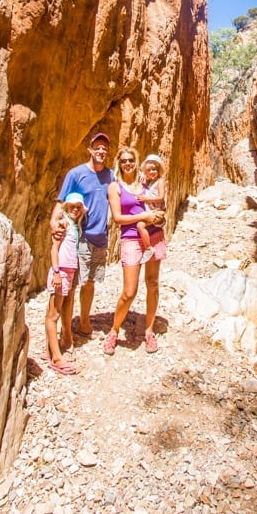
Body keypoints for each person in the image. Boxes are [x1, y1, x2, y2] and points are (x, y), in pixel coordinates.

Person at [50, 132, 114, 342]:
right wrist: (53, 222)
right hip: (81, 237)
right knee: (72, 285)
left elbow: (120, 193)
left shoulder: (110, 176)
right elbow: (61, 202)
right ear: (90, 149)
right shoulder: (76, 174)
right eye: (98, 146)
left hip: (100, 238)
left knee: (90, 283)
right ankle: (65, 331)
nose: (101, 150)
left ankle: (84, 323)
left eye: (105, 147)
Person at [103, 147, 167, 355]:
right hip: (130, 238)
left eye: (131, 160)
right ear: (119, 163)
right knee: (129, 292)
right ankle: (113, 331)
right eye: (124, 161)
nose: (128, 163)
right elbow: (118, 218)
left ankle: (148, 331)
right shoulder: (115, 187)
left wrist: (158, 217)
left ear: (136, 161)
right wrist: (143, 218)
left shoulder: (144, 181)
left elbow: (159, 200)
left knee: (153, 283)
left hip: (154, 234)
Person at [44, 193, 85, 374]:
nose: (75, 209)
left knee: (58, 309)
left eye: (79, 207)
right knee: (53, 314)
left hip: (68, 272)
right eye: (72, 206)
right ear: (67, 207)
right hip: (60, 272)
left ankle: (49, 350)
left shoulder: (75, 225)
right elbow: (54, 248)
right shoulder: (63, 224)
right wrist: (56, 273)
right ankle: (57, 358)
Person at [135, 154, 166, 265]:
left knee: (140, 225)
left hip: (156, 211)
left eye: (154, 169)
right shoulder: (149, 183)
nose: (152, 172)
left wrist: (145, 199)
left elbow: (161, 198)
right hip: (151, 211)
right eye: (149, 170)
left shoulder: (160, 182)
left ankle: (148, 248)